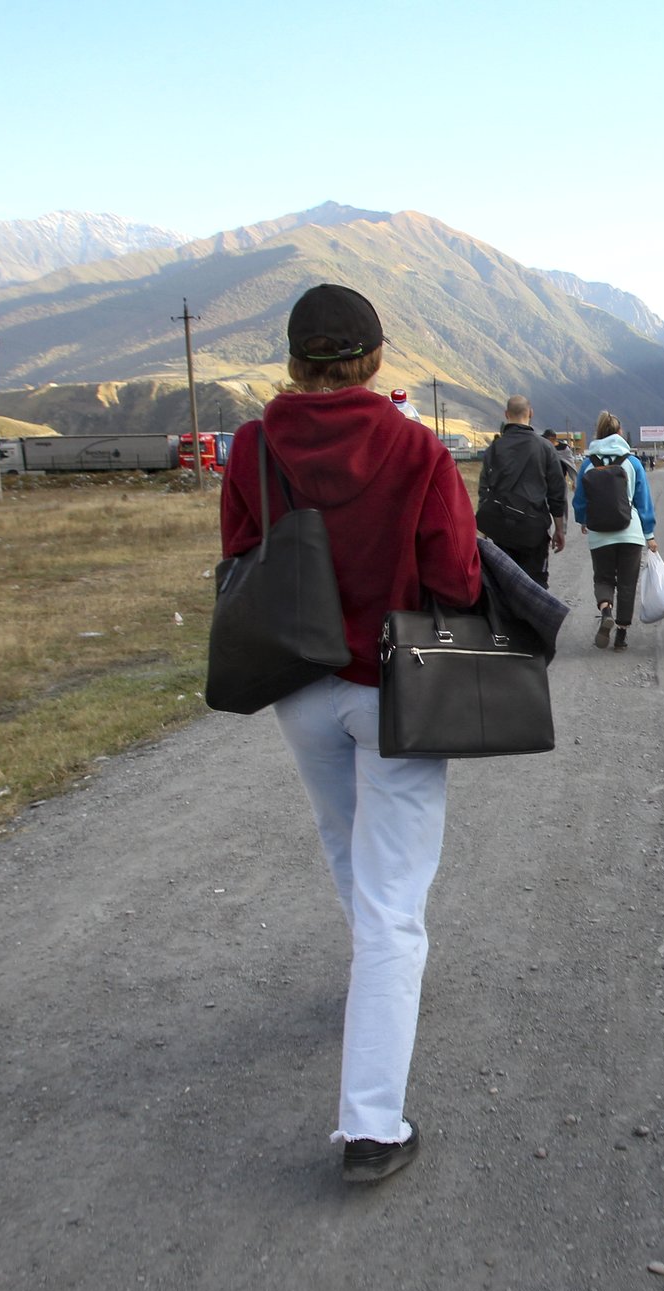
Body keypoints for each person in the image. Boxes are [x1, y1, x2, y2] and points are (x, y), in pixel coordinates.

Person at [219, 283, 482, 1182]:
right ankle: (372, 1125)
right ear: (374, 357)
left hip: (299, 685)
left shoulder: (254, 444)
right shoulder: (416, 448)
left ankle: (378, 984)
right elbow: (453, 576)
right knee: (394, 904)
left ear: (296, 361)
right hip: (394, 689)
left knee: (348, 854)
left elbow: (238, 554)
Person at [571, 411, 660, 650]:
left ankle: (606, 609)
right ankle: (621, 635)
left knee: (603, 577)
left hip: (600, 532)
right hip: (629, 531)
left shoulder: (588, 464)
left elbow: (579, 500)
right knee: (628, 583)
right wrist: (648, 534)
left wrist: (583, 520)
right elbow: (643, 502)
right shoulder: (632, 463)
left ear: (598, 434)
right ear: (620, 433)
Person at [477, 397, 567, 587]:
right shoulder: (545, 448)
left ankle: (506, 617)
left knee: (503, 585)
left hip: (501, 529)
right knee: (535, 586)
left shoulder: (494, 448)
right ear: (531, 413)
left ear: (506, 415)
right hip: (534, 529)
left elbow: (484, 492)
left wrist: (483, 532)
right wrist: (559, 529)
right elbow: (557, 493)